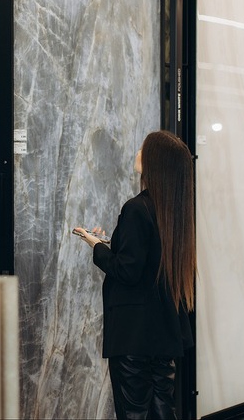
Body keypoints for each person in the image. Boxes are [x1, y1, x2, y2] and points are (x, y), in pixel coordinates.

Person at [74, 130, 196, 420]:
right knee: (161, 410)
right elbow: (146, 262)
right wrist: (112, 245)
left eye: (143, 148)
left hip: (134, 334)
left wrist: (97, 247)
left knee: (134, 412)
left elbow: (127, 271)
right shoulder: (173, 212)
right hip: (163, 331)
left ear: (154, 162)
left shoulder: (136, 209)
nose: (137, 152)